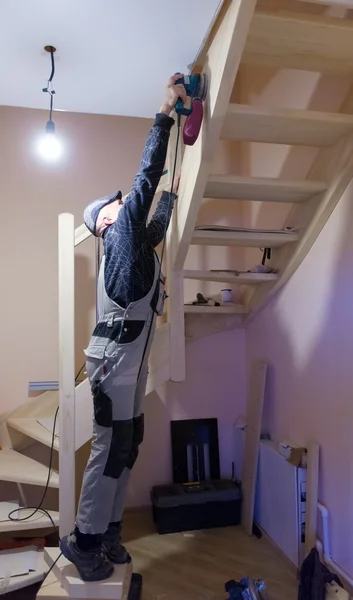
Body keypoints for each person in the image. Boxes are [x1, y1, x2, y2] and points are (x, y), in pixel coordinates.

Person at [60, 75, 186, 582]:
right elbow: (144, 180)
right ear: (105, 222)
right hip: (114, 363)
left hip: (126, 363)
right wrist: (165, 110)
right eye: (114, 206)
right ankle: (83, 539)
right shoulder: (117, 242)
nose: (122, 205)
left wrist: (172, 199)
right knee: (109, 446)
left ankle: (108, 529)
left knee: (128, 444)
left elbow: (153, 226)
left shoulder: (134, 252)